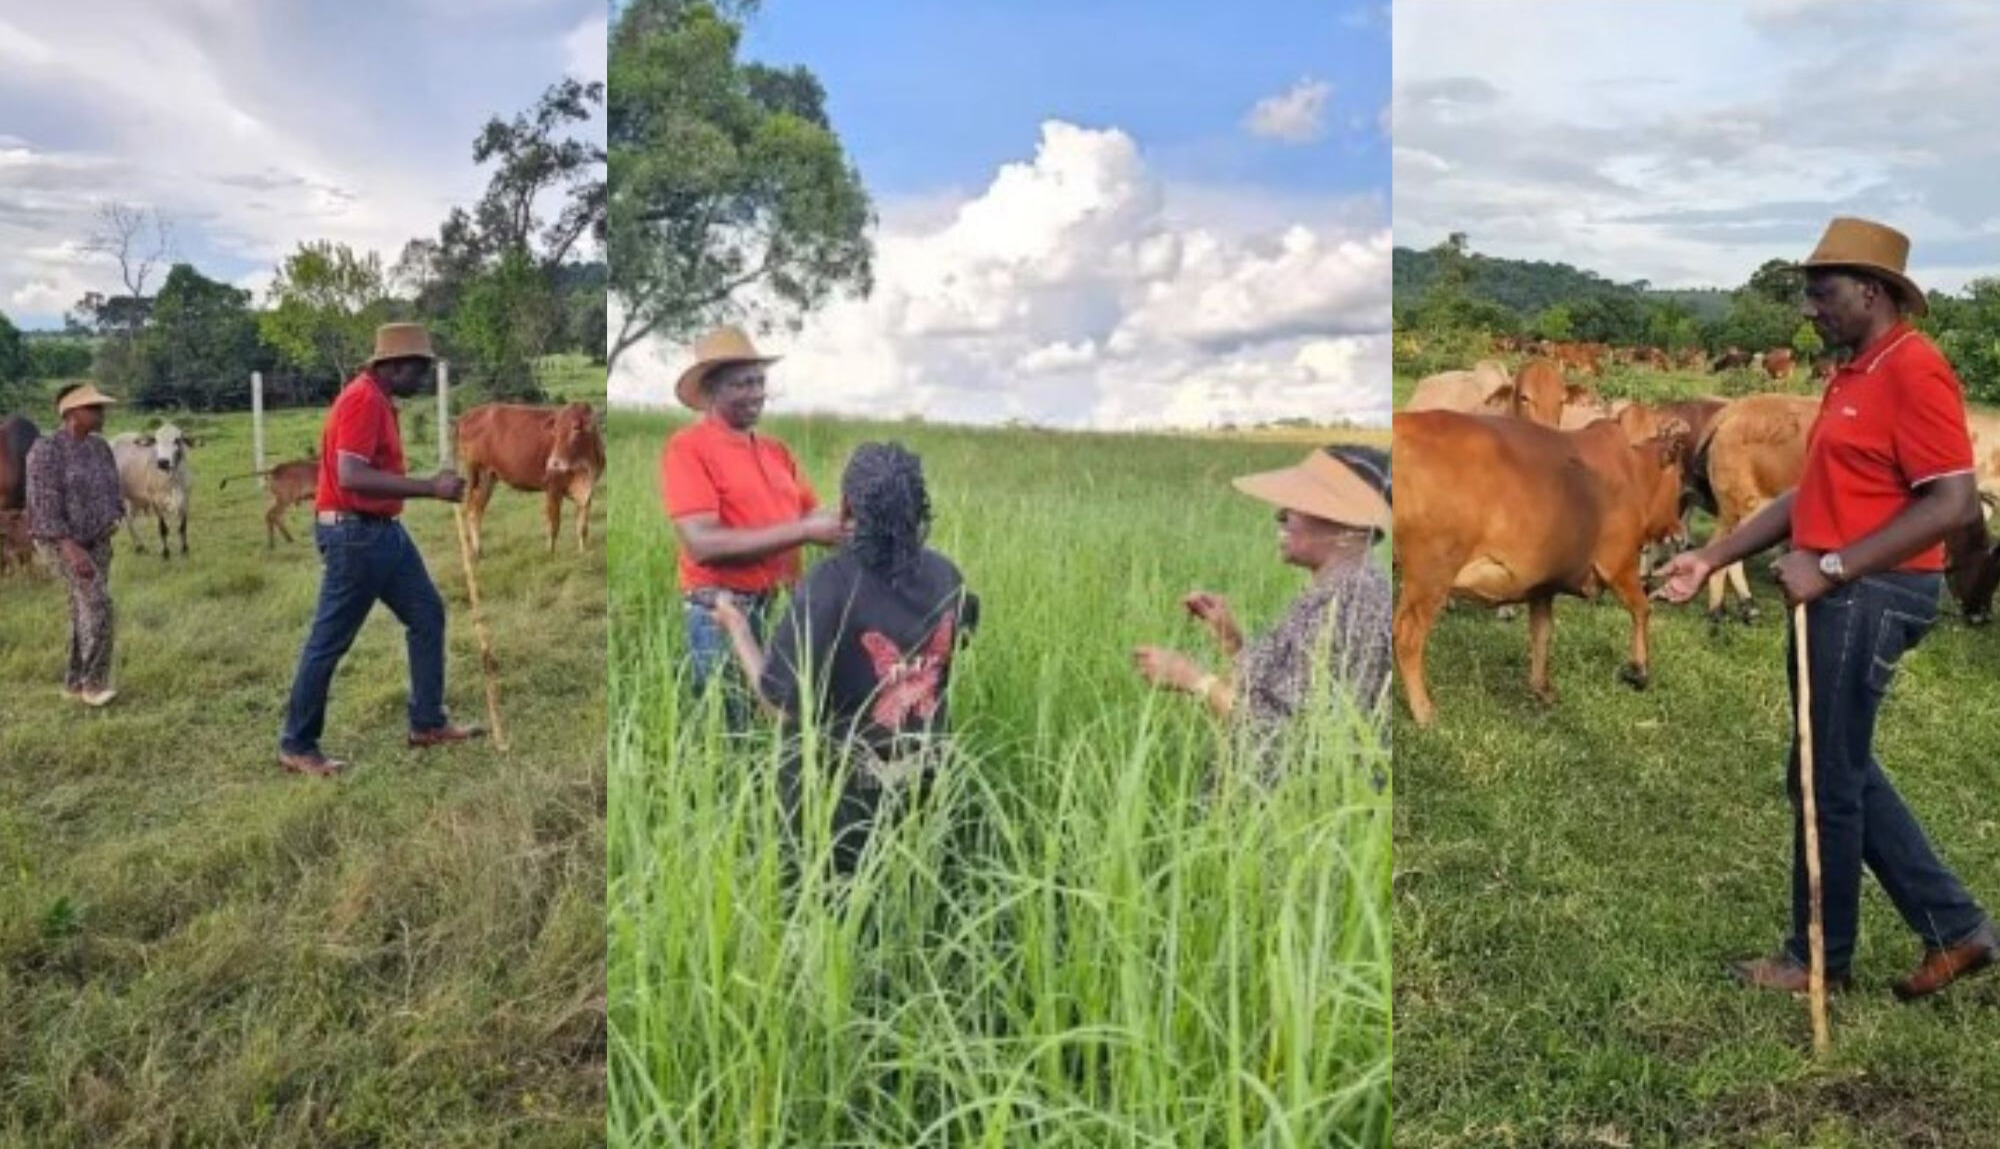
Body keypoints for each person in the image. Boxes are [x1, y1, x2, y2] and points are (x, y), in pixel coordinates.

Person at [1657, 217, 1997, 1000]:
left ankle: (1816, 960)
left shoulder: (1917, 371)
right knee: (1830, 765)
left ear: (1872, 292)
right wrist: (1714, 554)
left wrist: (1835, 564)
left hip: (1871, 594)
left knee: (1824, 778)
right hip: (1841, 588)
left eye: (1823, 293)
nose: (1809, 309)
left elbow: (1950, 503)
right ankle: (1958, 928)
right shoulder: (1854, 374)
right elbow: (1813, 496)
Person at [710, 442, 979, 877]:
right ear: (918, 507)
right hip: (926, 777)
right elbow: (955, 646)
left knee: (833, 906)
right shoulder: (946, 574)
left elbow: (778, 708)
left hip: (843, 800)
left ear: (848, 507)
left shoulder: (829, 584)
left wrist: (738, 628)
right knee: (908, 887)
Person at [277, 322, 483, 777]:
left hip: (382, 531)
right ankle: (297, 743)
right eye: (418, 368)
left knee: (427, 614)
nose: (423, 377)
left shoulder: (380, 401)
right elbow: (351, 475)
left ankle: (427, 723)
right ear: (392, 366)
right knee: (328, 642)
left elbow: (372, 472)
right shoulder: (362, 400)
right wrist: (430, 487)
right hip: (354, 536)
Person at [1134, 445, 1394, 785]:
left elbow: (1294, 739)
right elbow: (1283, 694)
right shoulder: (1334, 590)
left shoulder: (1357, 603)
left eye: (1300, 503)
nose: (1281, 515)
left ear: (1345, 521)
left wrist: (1195, 681)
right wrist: (1231, 641)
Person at [662, 325, 845, 731]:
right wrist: (804, 533)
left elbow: (811, 516)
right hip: (724, 610)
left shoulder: (775, 450)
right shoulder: (688, 448)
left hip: (782, 605)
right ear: (711, 391)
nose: (757, 393)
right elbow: (701, 543)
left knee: (784, 718)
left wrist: (853, 523)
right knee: (732, 728)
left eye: (760, 381)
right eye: (742, 384)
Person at [24, 383, 126, 707]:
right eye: (93, 408)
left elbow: (112, 485)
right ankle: (94, 684)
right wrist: (70, 546)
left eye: (101, 408)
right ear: (71, 414)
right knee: (100, 605)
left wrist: (113, 517)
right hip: (62, 543)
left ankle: (73, 682)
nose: (101, 414)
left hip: (98, 539)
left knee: (83, 609)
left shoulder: (99, 447)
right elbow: (43, 506)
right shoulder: (46, 450)